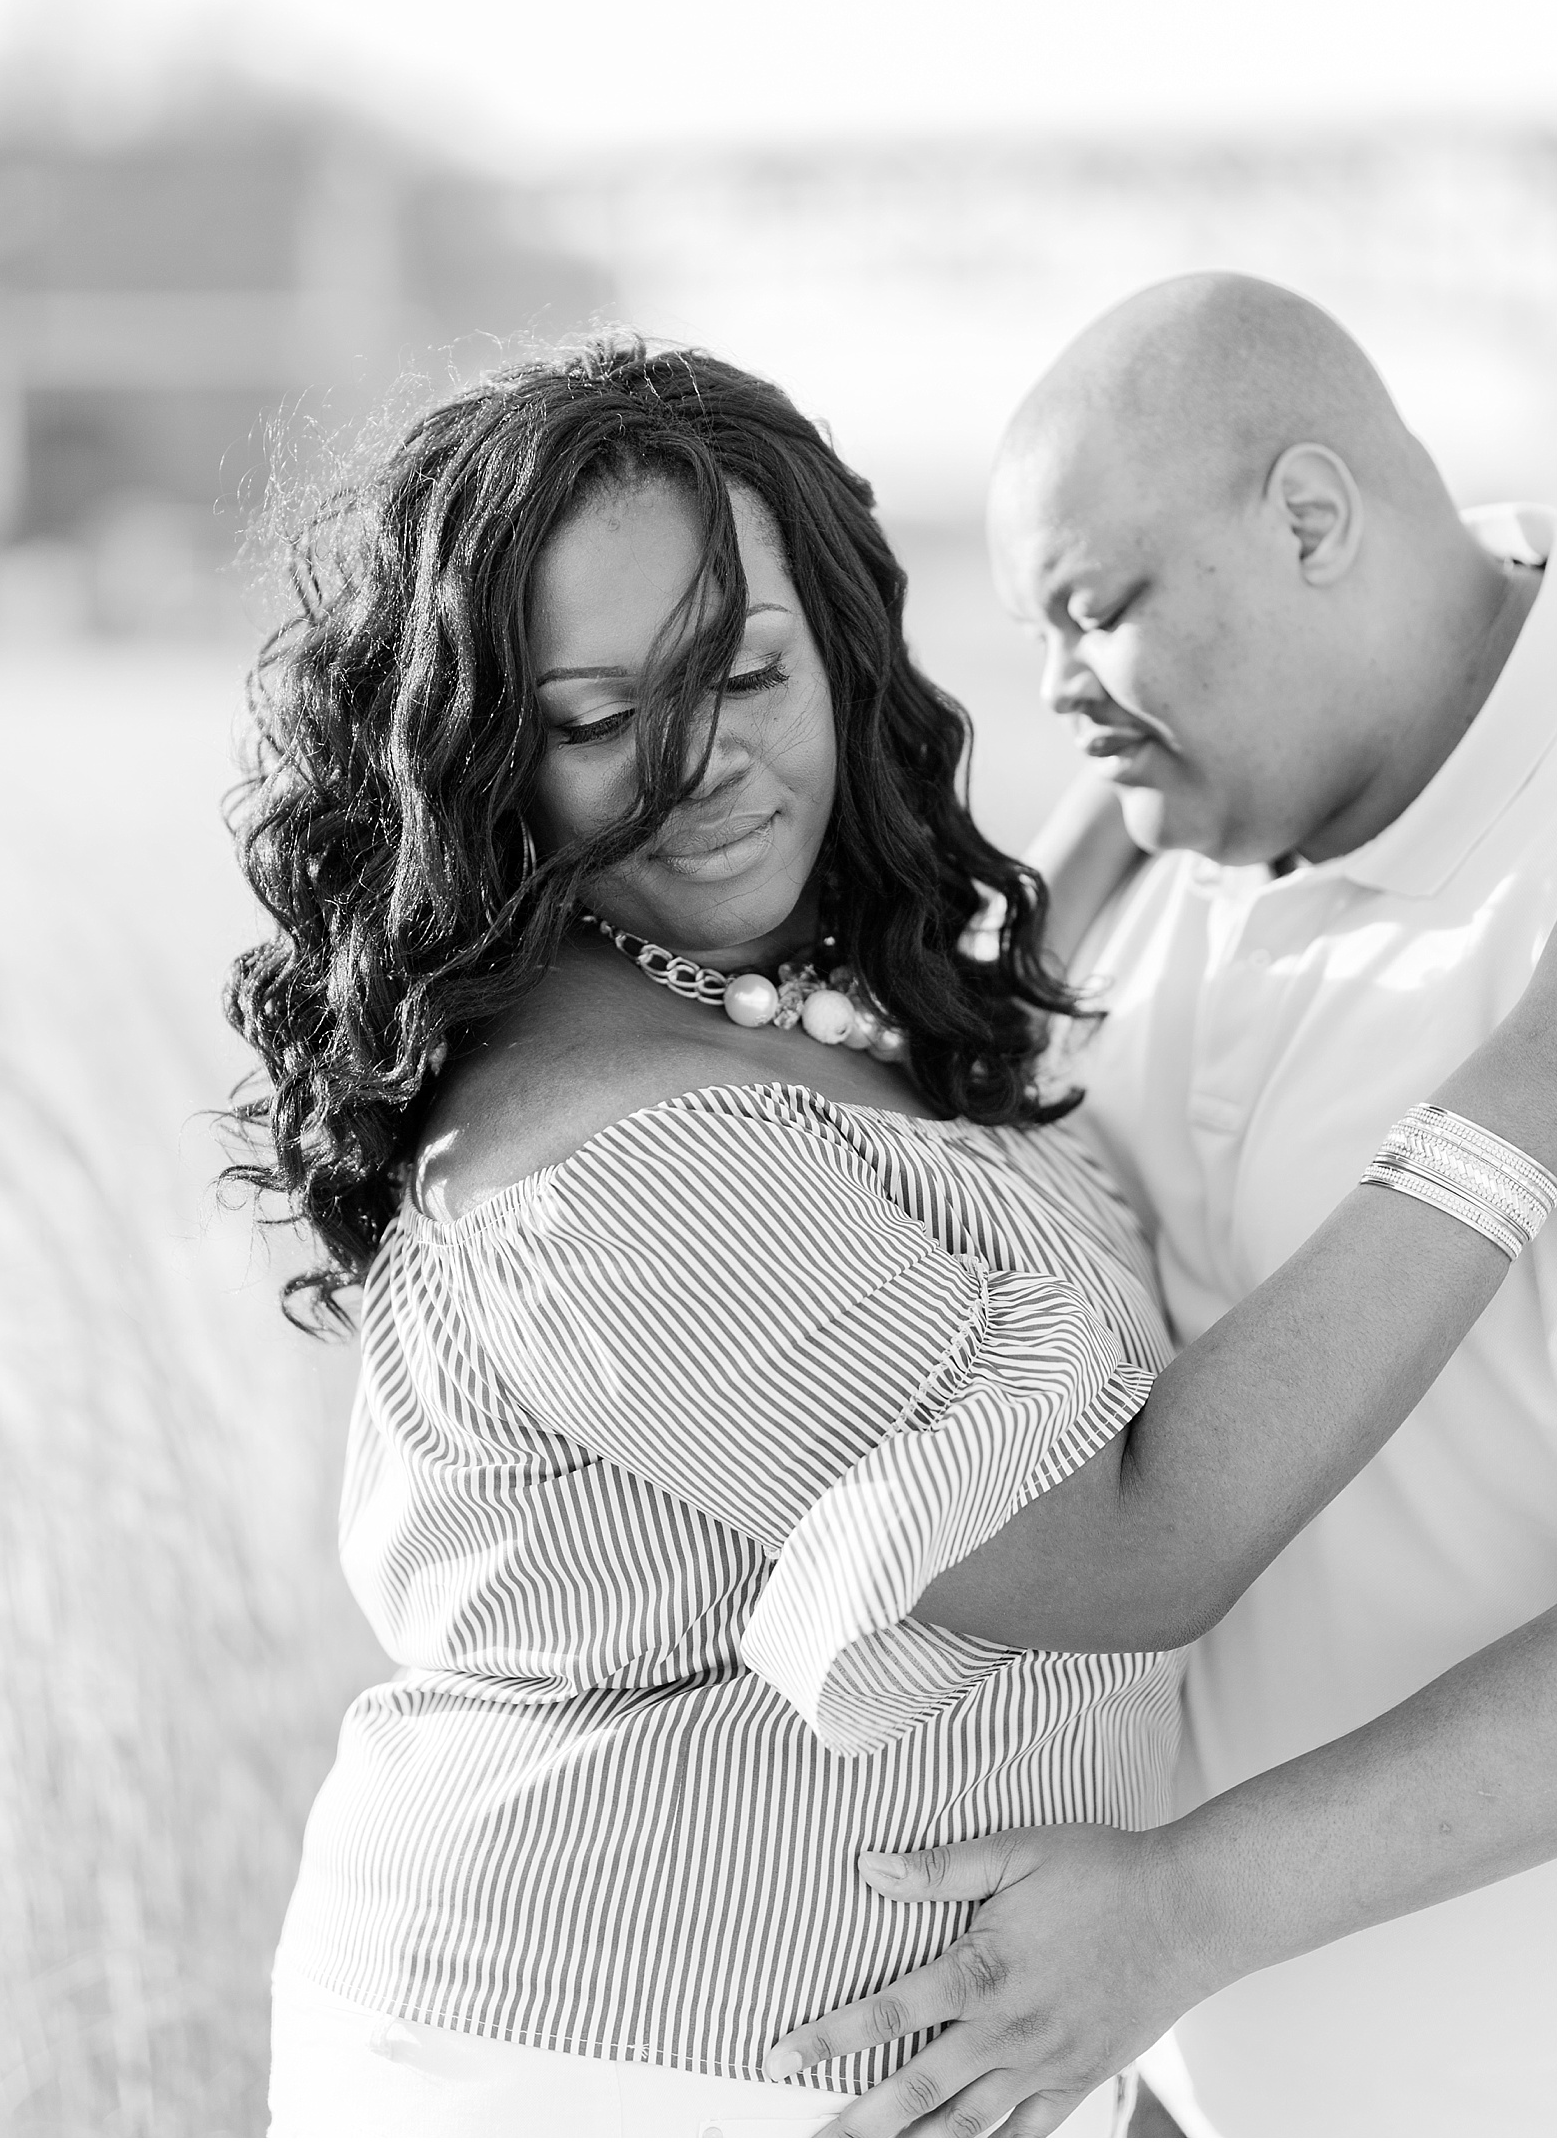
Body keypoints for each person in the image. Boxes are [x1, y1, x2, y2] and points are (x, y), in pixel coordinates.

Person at [223, 338, 1553, 2141]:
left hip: (862, 2055)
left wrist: (1458, 598)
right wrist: (1533, 1079)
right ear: (480, 750)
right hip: (619, 2064)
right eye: (603, 718)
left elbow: (1012, 1009)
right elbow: (1139, 1539)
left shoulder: (765, 1000)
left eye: (751, 670)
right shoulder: (611, 1163)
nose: (702, 766)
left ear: (838, 653)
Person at [767, 275, 1555, 2139]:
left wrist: (1194, 1903)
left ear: (1310, 519)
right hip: (1178, 2086)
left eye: (1095, 610)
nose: (1046, 689)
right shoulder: (1173, 820)